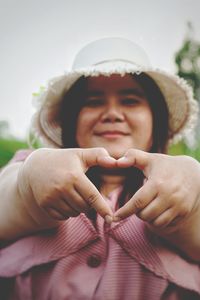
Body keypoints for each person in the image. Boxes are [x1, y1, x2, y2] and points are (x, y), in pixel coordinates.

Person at [0, 37, 200, 300]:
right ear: (71, 120)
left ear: (156, 121)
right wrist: (27, 187)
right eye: (93, 101)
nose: (112, 113)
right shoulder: (32, 166)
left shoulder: (183, 180)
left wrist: (192, 200)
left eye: (130, 101)